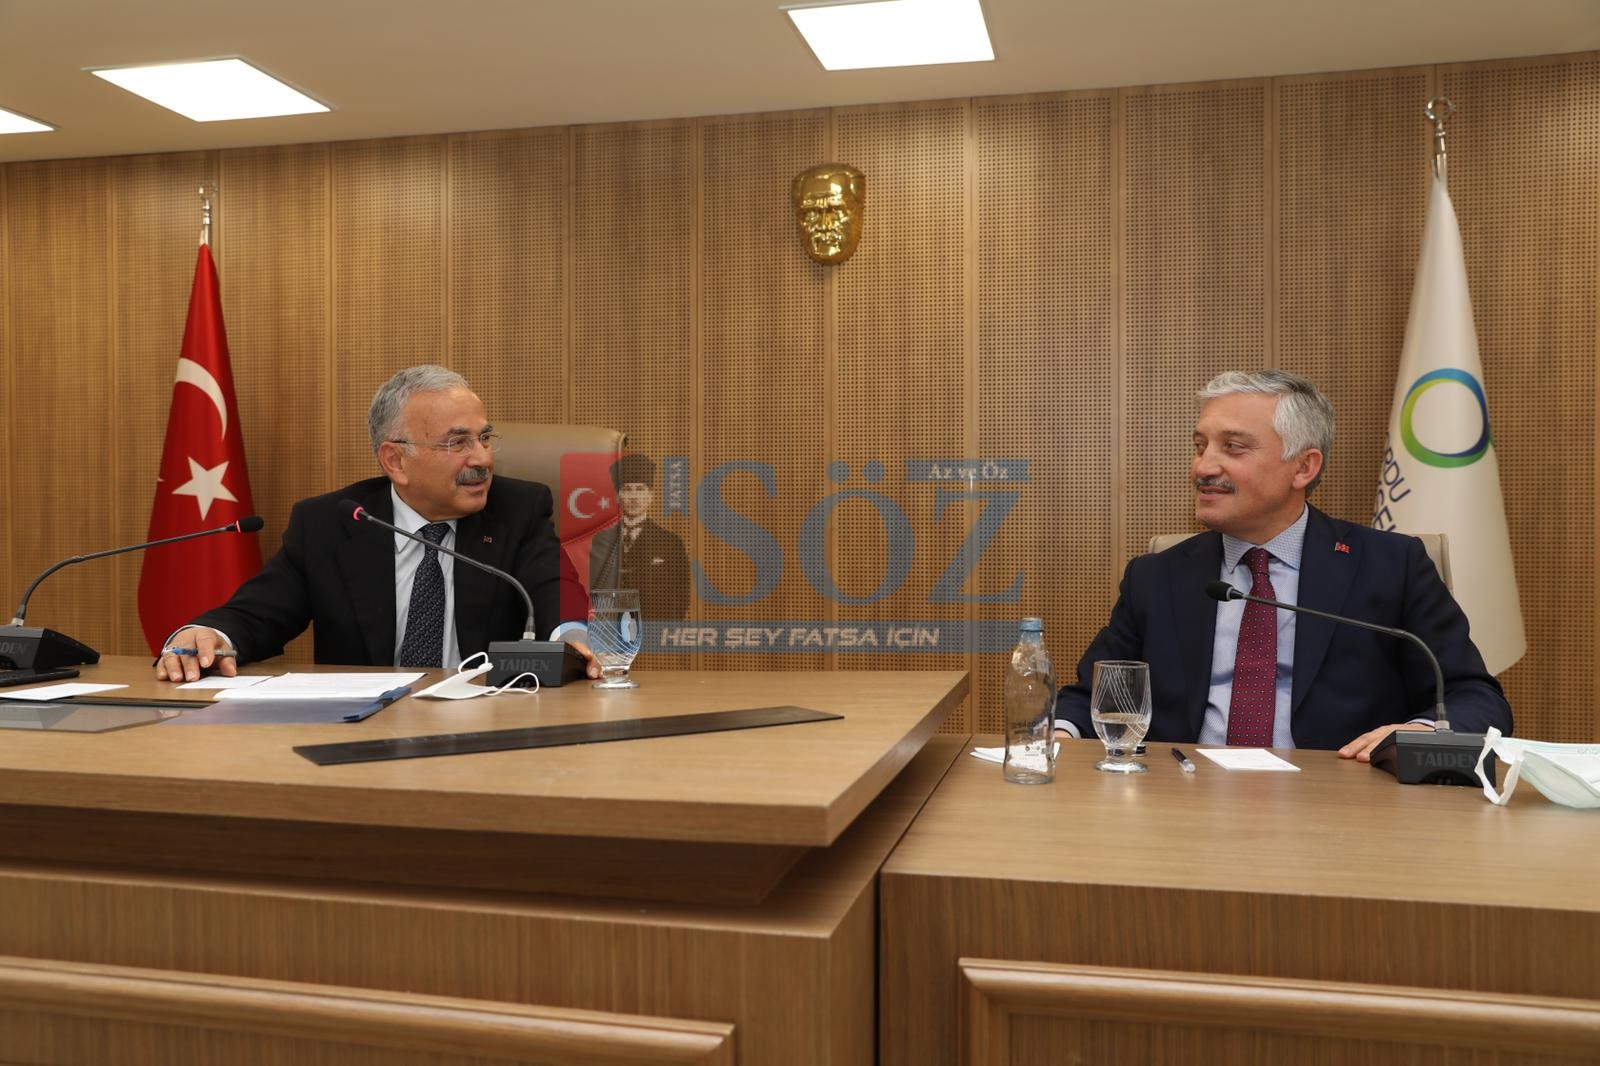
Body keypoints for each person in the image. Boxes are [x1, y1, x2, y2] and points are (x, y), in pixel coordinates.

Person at [1055, 369, 1511, 760]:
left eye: (1233, 447)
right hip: (1182, 799)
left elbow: (1474, 697)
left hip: (1339, 805)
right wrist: (1060, 734)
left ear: (1303, 467)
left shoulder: (1391, 567)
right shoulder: (1157, 576)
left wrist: (1419, 731)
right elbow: (1092, 698)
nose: (1203, 467)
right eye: (1200, 446)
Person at [155, 365, 597, 681]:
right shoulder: (330, 523)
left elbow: (555, 591)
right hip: (362, 732)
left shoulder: (517, 509)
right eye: (457, 443)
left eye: (483, 438)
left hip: (488, 729)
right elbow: (258, 614)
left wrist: (571, 638)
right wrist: (210, 633)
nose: (481, 459)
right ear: (395, 460)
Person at [587, 454, 691, 620]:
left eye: (641, 489)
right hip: (610, 627)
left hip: (653, 626)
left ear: (651, 496)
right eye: (628, 490)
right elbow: (593, 590)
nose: (634, 497)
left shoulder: (670, 542)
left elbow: (680, 597)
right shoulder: (601, 539)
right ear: (617, 497)